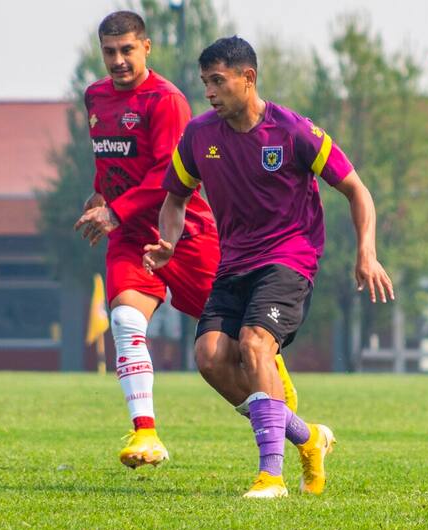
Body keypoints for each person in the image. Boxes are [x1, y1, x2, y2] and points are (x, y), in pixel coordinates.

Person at [144, 36, 394, 498]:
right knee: (210, 358)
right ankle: (308, 437)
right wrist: (169, 243)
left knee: (255, 344)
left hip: (289, 258)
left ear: (248, 78)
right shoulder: (199, 135)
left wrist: (367, 251)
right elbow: (175, 199)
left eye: (218, 81)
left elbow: (357, 190)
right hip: (234, 263)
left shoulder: (293, 131)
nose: (209, 92)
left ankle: (271, 477)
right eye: (205, 83)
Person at [73, 12, 299, 470]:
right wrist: (101, 195)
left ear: (146, 47)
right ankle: (145, 433)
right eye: (109, 52)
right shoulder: (95, 96)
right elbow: (111, 162)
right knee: (125, 321)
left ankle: (296, 427)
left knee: (240, 347)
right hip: (129, 236)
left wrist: (116, 209)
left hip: (184, 235)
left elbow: (166, 174)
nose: (118, 60)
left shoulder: (166, 99)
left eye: (127, 50)